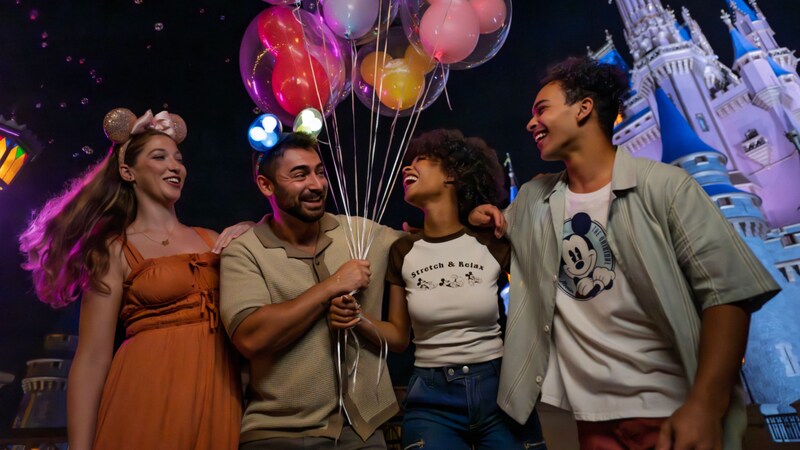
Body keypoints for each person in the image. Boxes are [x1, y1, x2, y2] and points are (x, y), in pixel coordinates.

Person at [469, 56, 780, 450]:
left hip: (672, 410)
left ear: (583, 108)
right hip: (590, 418)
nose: (531, 123)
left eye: (542, 110)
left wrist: (705, 404)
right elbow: (491, 232)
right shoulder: (534, 199)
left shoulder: (666, 186)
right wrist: (478, 214)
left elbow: (729, 294)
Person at [19, 108, 246, 450]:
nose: (175, 166)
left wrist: (256, 233)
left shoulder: (213, 239)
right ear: (128, 171)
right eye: (160, 157)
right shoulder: (114, 249)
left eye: (179, 159)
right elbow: (93, 358)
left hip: (218, 397)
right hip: (145, 398)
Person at [328, 129, 547, 450]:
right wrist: (357, 318)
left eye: (422, 160)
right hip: (431, 398)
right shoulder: (402, 250)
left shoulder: (490, 240)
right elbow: (400, 338)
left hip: (499, 389)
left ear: (452, 176)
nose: (407, 168)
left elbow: (543, 289)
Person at [218, 132, 401, 449]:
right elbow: (251, 337)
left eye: (319, 172)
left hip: (363, 432)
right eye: (300, 175)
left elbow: (424, 244)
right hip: (279, 433)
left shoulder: (359, 232)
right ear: (266, 185)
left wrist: (478, 218)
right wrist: (333, 285)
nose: (316, 185)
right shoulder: (245, 251)